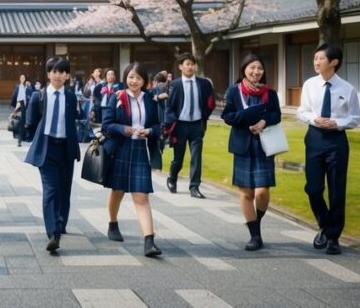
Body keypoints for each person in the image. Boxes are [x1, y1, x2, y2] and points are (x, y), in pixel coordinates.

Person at [297, 43, 360, 256]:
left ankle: (333, 237)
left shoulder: (347, 89)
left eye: (320, 59)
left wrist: (337, 123)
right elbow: (302, 111)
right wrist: (314, 119)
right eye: (315, 59)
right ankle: (325, 224)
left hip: (336, 141)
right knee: (313, 188)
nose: (316, 62)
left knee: (336, 190)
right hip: (314, 138)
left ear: (333, 62)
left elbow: (355, 118)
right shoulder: (309, 85)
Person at [101, 62, 163, 257]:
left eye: (137, 77)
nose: (133, 81)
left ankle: (149, 241)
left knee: (141, 195)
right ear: (125, 78)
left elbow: (159, 126)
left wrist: (150, 131)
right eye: (130, 77)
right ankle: (112, 224)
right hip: (121, 148)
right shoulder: (117, 97)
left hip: (140, 149)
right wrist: (123, 129)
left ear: (144, 80)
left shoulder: (151, 100)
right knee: (117, 190)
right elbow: (106, 125)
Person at [222, 53, 282, 251]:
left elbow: (276, 115)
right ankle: (255, 235)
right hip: (243, 145)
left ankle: (257, 221)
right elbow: (227, 116)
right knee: (246, 192)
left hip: (264, 145)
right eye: (252, 68)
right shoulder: (234, 91)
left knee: (262, 190)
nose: (256, 72)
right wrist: (246, 120)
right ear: (244, 70)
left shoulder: (270, 93)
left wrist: (264, 121)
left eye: (260, 68)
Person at [24, 57, 81, 254]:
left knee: (64, 189)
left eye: (62, 72)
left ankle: (60, 222)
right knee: (50, 190)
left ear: (67, 75)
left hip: (66, 147)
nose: (58, 75)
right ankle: (53, 233)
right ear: (48, 74)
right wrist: (38, 141)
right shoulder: (38, 96)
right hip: (47, 147)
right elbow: (30, 123)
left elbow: (74, 121)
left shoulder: (72, 97)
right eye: (54, 71)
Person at [164, 53, 214, 198]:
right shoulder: (174, 85)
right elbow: (169, 107)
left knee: (196, 157)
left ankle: (194, 187)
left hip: (197, 125)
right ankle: (172, 177)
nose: (190, 67)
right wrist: (170, 123)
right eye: (187, 64)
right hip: (180, 126)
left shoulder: (204, 84)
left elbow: (210, 103)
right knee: (178, 158)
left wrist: (204, 116)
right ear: (180, 67)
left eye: (192, 64)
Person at [10, 73, 30, 147]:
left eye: (23, 77)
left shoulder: (28, 87)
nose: (22, 79)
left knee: (25, 123)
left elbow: (30, 96)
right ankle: (19, 140)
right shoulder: (17, 87)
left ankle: (24, 138)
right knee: (20, 123)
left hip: (26, 107)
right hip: (19, 107)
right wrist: (13, 108)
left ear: (25, 78)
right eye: (21, 77)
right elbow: (14, 96)